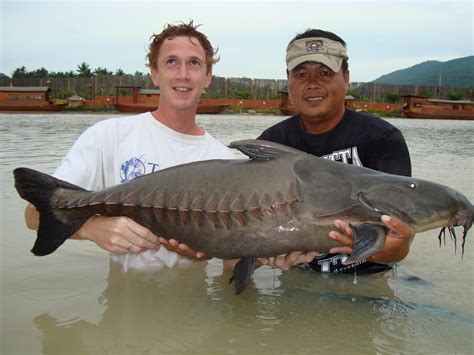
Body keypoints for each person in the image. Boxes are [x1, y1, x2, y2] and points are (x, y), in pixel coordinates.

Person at [24, 21, 235, 270]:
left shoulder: (225, 162)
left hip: (193, 300)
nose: (183, 74)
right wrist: (92, 228)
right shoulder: (109, 136)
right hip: (122, 302)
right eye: (171, 62)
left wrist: (212, 251)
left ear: (207, 76)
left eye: (194, 63)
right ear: (154, 73)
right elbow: (33, 215)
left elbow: (232, 262)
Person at [224, 29, 413, 274]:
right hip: (296, 283)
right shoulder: (271, 145)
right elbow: (232, 255)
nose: (312, 84)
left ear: (346, 77)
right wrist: (262, 256)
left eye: (325, 73)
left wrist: (380, 246)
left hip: (366, 285)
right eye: (301, 74)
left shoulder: (382, 139)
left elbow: (399, 245)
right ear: (288, 79)